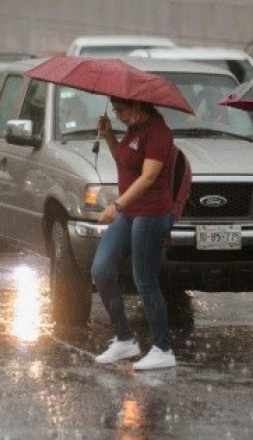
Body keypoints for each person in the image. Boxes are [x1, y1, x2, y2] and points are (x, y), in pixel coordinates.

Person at [91, 96, 176, 370]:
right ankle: (124, 339)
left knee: (145, 281)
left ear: (139, 105)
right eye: (115, 111)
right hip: (130, 214)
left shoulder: (158, 132)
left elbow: (149, 176)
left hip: (151, 213)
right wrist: (108, 136)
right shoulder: (133, 130)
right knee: (101, 271)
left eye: (121, 110)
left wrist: (118, 205)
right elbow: (124, 160)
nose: (118, 115)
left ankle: (163, 348)